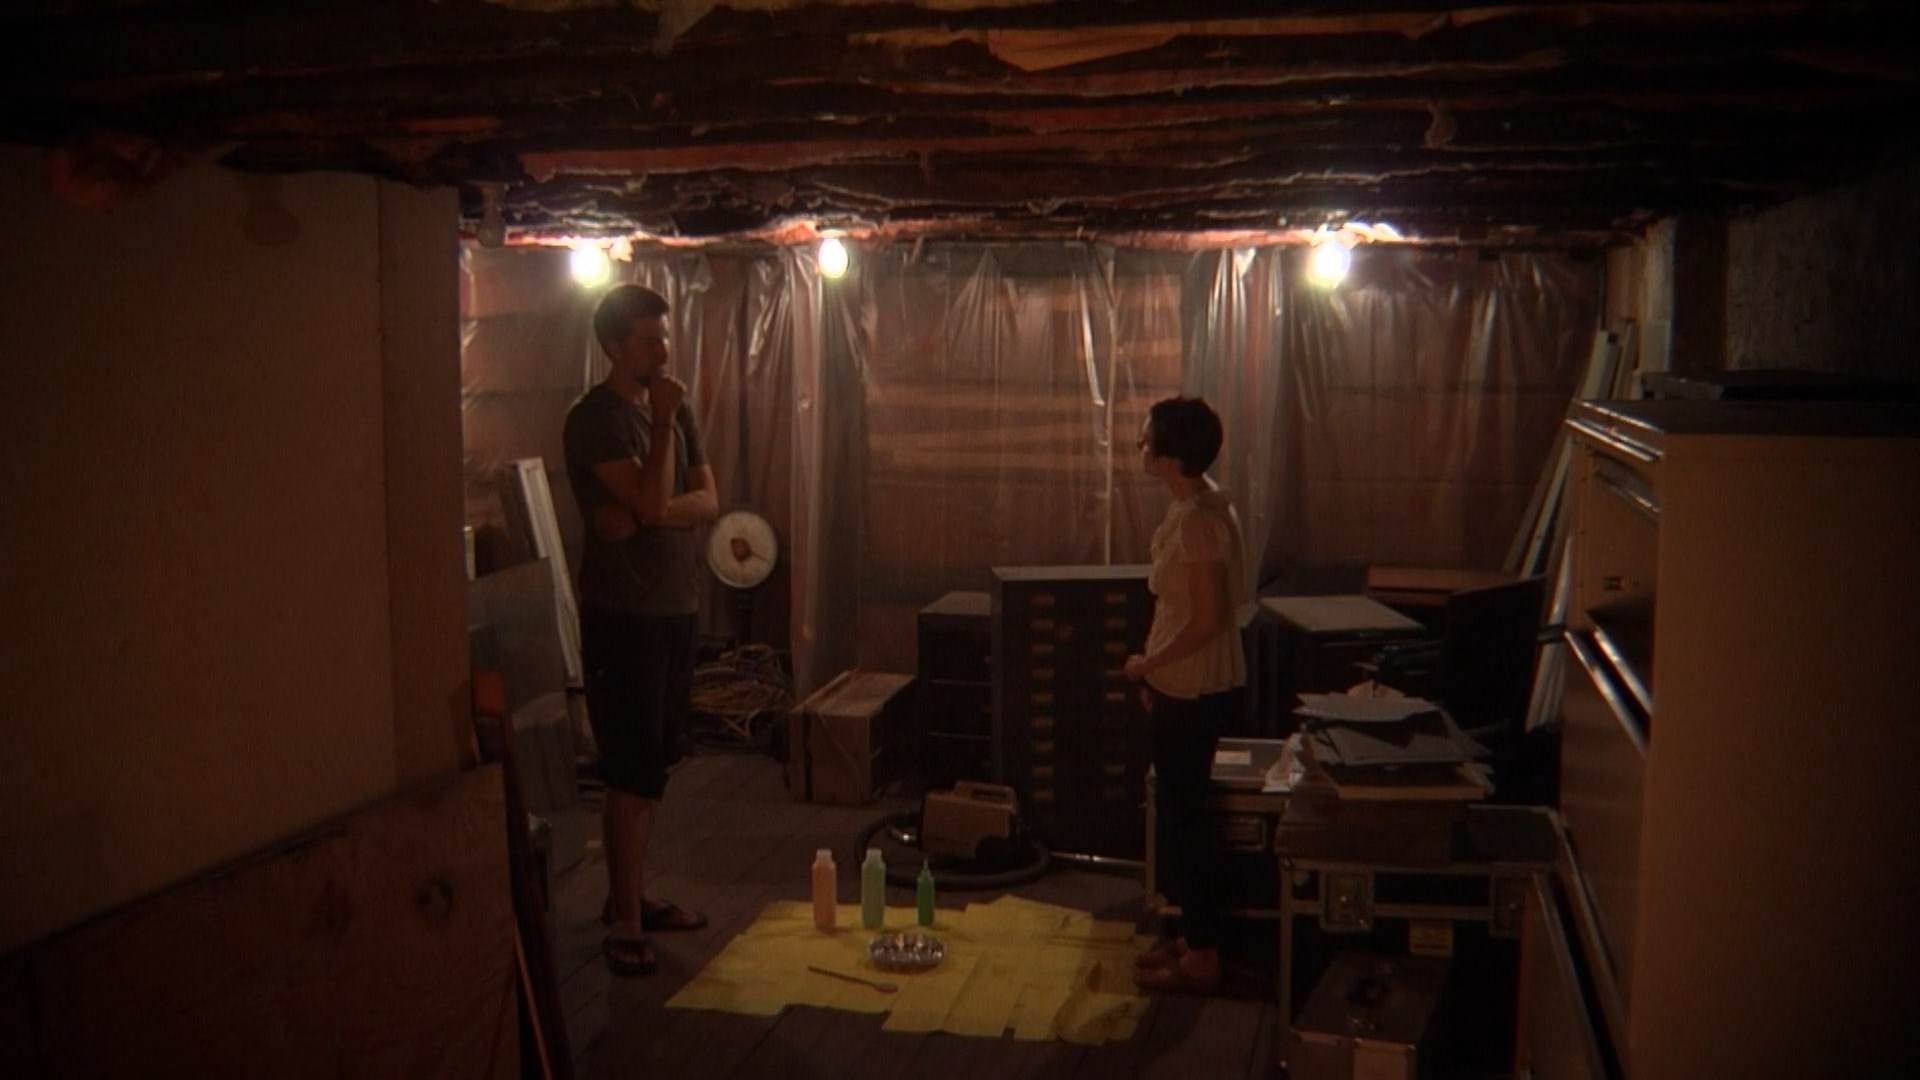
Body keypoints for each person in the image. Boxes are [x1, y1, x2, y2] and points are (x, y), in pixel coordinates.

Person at [562, 283, 720, 976]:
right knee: (629, 768)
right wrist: (658, 437)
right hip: (624, 617)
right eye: (649, 341)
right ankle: (625, 919)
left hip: (674, 607)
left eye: (664, 337)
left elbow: (707, 500)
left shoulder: (675, 411)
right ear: (613, 347)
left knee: (653, 765)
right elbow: (656, 500)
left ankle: (628, 895)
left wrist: (655, 512)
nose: (663, 351)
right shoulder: (595, 421)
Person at [1122, 396, 1249, 993]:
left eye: (1147, 439)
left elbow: (1206, 620)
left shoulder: (1200, 522)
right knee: (1178, 815)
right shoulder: (1196, 507)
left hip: (1193, 689)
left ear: (1170, 456)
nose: (1139, 446)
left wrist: (1149, 666)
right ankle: (1194, 937)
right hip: (1183, 686)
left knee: (1186, 821)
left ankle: (1202, 952)